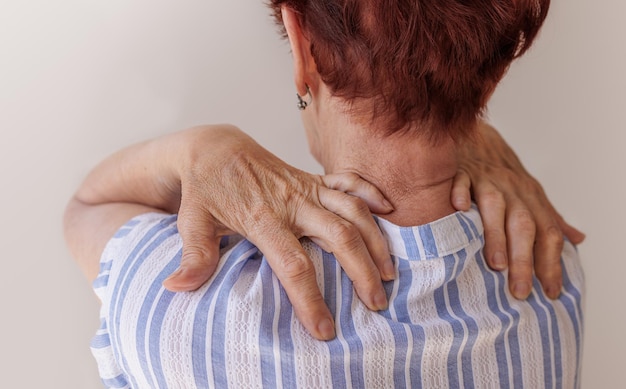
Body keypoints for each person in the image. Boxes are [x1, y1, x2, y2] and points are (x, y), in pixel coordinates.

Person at [64, 0, 584, 387]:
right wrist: (478, 131)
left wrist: (204, 147)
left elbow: (88, 206)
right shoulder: (548, 263)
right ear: (495, 71)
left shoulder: (190, 309)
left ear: (302, 47)